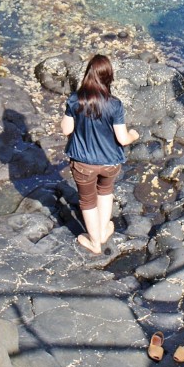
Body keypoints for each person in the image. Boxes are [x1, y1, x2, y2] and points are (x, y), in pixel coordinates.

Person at [61, 54, 139, 254]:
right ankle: (103, 231)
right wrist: (133, 135)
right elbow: (122, 139)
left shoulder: (75, 99)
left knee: (87, 201)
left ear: (88, 74)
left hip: (83, 163)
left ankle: (95, 242)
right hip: (110, 162)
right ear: (108, 77)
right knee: (105, 193)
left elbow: (66, 130)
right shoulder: (114, 104)